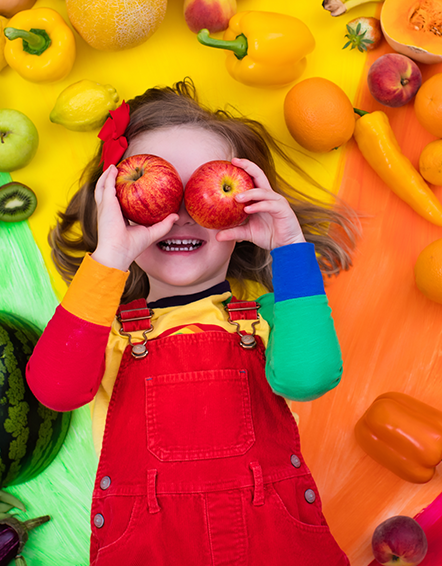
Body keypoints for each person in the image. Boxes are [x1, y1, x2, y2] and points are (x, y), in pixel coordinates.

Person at [27, 79, 358, 565]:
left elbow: (309, 377)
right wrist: (110, 257)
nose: (181, 215)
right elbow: (55, 388)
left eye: (205, 187)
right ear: (113, 207)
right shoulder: (105, 332)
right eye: (158, 195)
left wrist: (288, 247)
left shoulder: (270, 318)